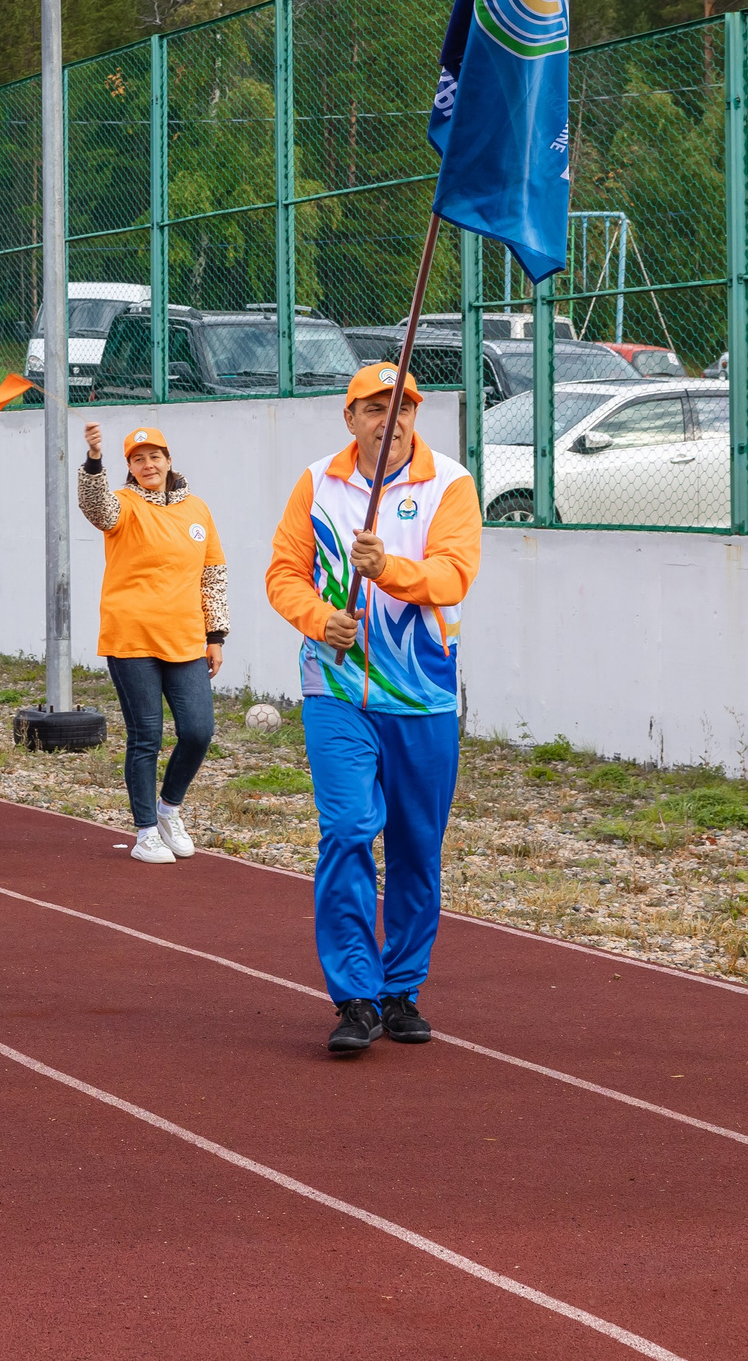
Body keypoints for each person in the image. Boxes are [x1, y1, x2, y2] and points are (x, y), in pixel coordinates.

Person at [266, 363, 482, 1056]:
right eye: (375, 409)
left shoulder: (450, 482)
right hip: (336, 689)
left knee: (418, 848)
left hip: (422, 694)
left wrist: (387, 567)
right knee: (351, 828)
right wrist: (317, 617)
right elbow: (282, 573)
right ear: (350, 416)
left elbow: (456, 574)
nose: (390, 422)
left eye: (404, 409)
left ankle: (401, 989)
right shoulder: (317, 483)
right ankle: (355, 994)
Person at [81, 423, 227, 865]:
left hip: (185, 638)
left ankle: (169, 809)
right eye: (138, 459)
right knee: (146, 736)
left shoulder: (197, 509)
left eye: (155, 456)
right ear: (129, 467)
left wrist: (215, 635)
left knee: (199, 731)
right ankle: (145, 832)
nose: (148, 465)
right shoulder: (123, 504)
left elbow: (213, 575)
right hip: (132, 637)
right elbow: (97, 509)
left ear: (168, 460)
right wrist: (92, 461)